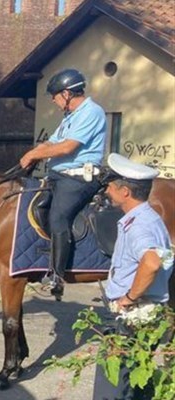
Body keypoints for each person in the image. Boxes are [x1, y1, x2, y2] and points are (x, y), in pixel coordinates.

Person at [19, 68, 107, 298]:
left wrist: (34, 155)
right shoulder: (70, 116)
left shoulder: (91, 112)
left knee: (59, 216)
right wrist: (34, 152)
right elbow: (51, 142)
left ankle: (57, 276)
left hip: (79, 178)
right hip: (58, 176)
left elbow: (68, 147)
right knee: (35, 207)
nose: (53, 99)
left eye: (55, 94)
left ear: (67, 93)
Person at [93, 153, 173, 399]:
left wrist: (128, 298)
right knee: (138, 382)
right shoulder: (148, 217)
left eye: (111, 186)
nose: (107, 190)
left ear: (124, 191)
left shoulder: (139, 224)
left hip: (131, 313)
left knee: (113, 385)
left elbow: (151, 263)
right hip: (146, 311)